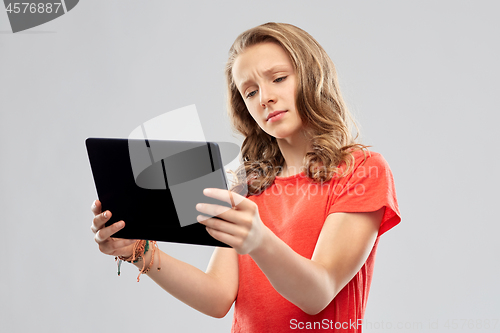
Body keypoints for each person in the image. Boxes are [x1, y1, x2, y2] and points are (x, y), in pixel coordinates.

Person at [90, 22, 400, 332]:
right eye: (250, 92)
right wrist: (139, 251)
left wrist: (259, 240)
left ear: (312, 77)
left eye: (278, 78)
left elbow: (318, 293)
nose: (265, 98)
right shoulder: (245, 184)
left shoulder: (362, 170)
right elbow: (218, 296)